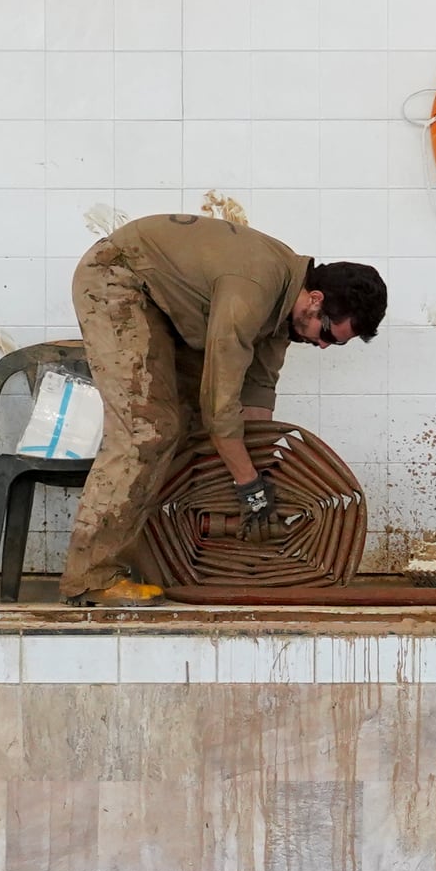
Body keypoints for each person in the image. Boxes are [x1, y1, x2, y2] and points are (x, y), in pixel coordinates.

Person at [61, 216, 388, 606]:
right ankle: (91, 579)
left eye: (335, 345)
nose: (321, 347)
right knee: (147, 430)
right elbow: (221, 406)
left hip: (164, 303)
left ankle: (161, 562)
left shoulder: (286, 313)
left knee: (192, 431)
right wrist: (249, 488)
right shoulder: (253, 292)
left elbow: (256, 397)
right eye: (328, 336)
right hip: (118, 277)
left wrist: (259, 473)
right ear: (316, 300)